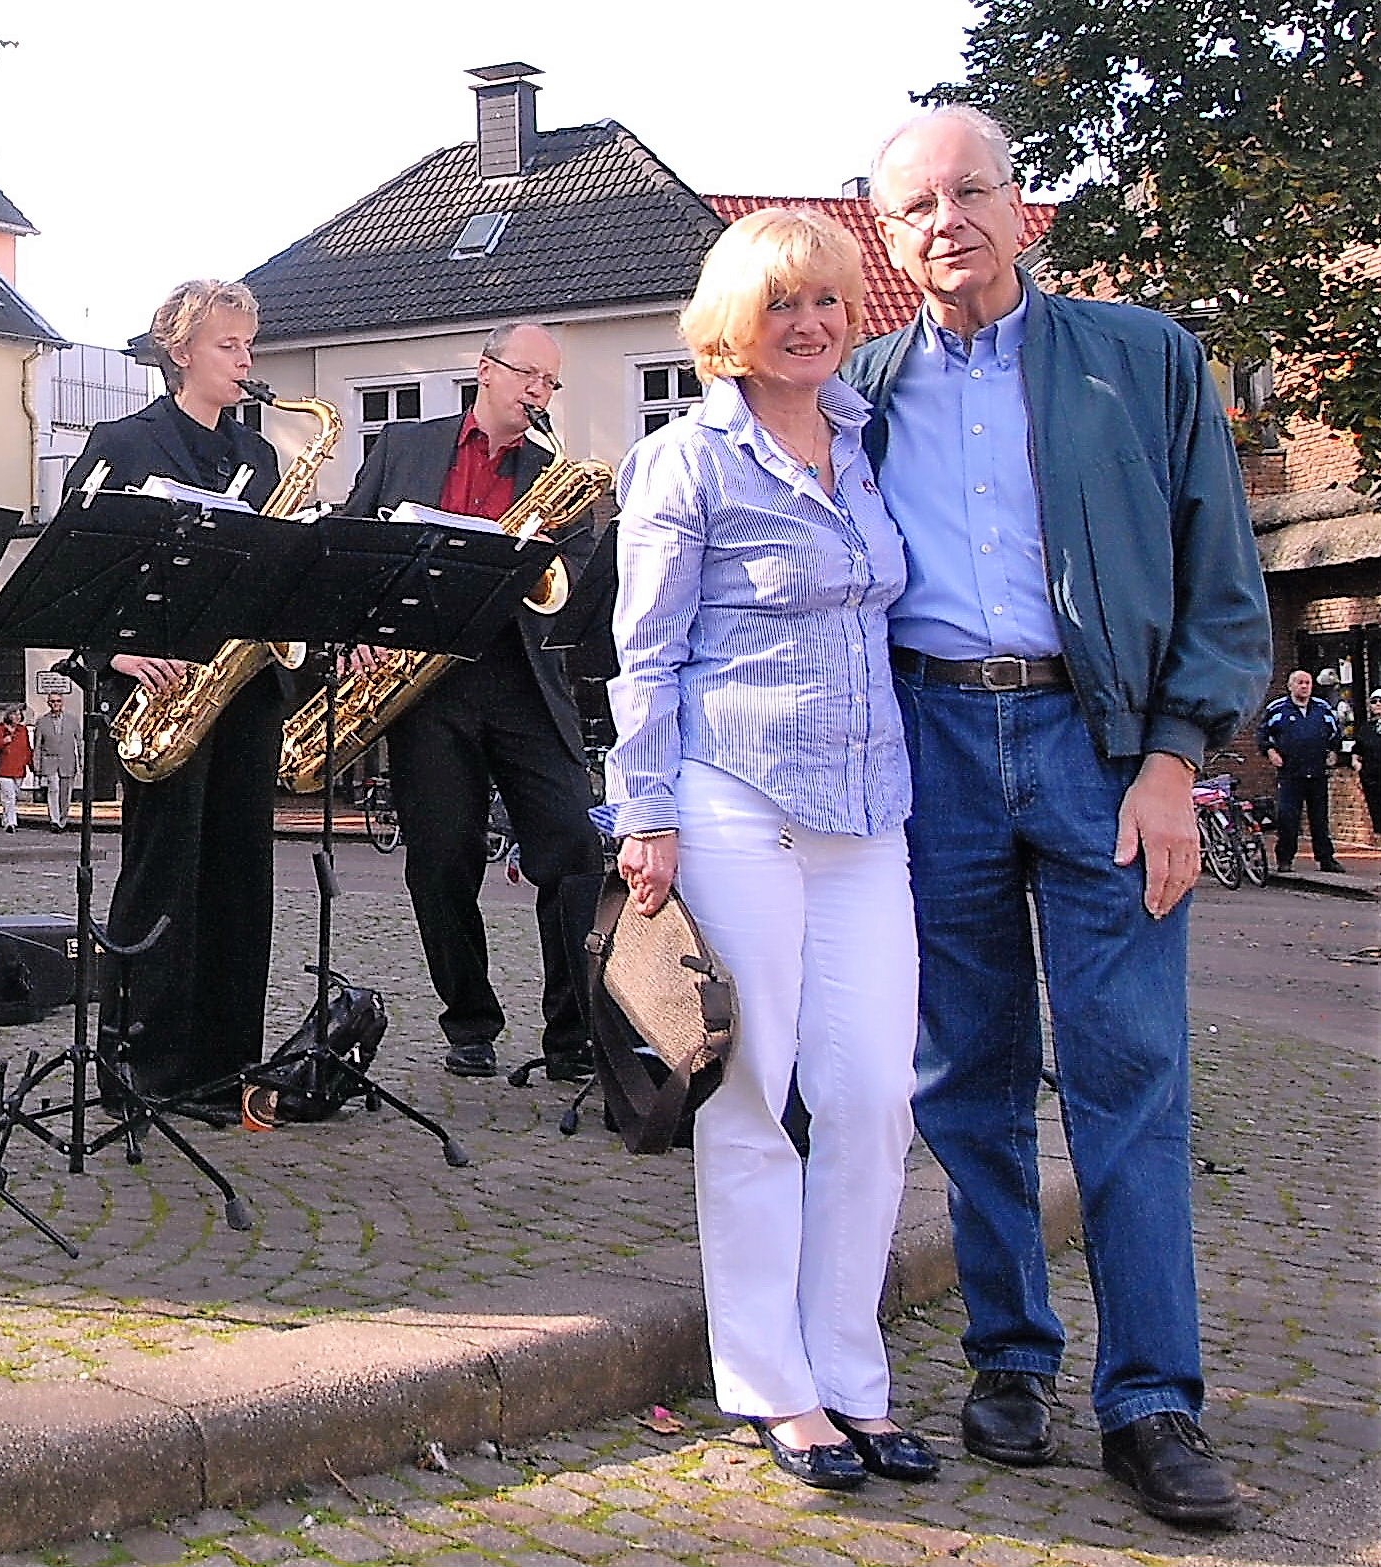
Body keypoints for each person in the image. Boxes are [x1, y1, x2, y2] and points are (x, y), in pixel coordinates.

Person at [848, 106, 1270, 1527]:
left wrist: (1171, 759)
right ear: (884, 233)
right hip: (930, 747)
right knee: (960, 1074)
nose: (943, 221)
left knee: (1126, 1078)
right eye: (913, 206)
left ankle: (1149, 1398)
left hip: (1098, 749)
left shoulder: (1139, 357)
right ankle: (1007, 1356)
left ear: (1021, 208)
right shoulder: (860, 392)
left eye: (969, 192)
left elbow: (1222, 579)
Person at [607, 206, 934, 1492]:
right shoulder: (685, 461)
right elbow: (644, 651)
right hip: (735, 794)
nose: (810, 324)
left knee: (872, 1099)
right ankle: (773, 1383)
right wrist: (644, 815)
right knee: (755, 1094)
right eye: (783, 304)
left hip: (869, 809)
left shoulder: (865, 442)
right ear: (734, 326)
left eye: (830, 303)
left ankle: (853, 1372)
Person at [339, 323, 611, 1081]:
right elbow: (356, 547)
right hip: (426, 688)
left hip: (521, 679)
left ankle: (572, 1036)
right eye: (528, 376)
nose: (539, 393)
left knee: (574, 851)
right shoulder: (403, 446)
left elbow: (576, 585)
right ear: (485, 371)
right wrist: (358, 629)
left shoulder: (557, 472)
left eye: (550, 383)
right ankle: (469, 1022)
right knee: (440, 859)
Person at [64, 279, 284, 1120]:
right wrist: (113, 653)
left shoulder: (259, 457)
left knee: (239, 878)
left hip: (241, 693)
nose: (244, 361)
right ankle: (140, 1068)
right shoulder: (122, 442)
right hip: (160, 690)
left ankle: (224, 1065)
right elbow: (75, 567)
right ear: (181, 351)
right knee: (162, 878)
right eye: (229, 346)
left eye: (249, 346)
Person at [1259, 670, 1344, 872]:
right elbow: (1263, 733)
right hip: (1290, 772)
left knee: (1319, 817)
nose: (1304, 686)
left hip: (1316, 771)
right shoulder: (1277, 709)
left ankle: (1326, 859)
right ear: (1290, 686)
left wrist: (1333, 751)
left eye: (1307, 683)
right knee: (1288, 816)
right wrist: (1271, 752)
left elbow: (1335, 733)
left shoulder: (1322, 709)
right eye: (1300, 683)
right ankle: (1285, 859)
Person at [34, 692, 84, 831]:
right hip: (50, 762)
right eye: (52, 701)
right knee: (53, 789)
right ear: (48, 703)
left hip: (67, 761)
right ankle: (54, 820)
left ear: (62, 703)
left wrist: (82, 761)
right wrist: (37, 765)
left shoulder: (72, 720)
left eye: (58, 701)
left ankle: (63, 819)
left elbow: (79, 742)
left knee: (65, 793)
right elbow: (37, 745)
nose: (55, 704)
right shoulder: (42, 721)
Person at [0, 704, 34, 832]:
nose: (17, 717)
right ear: (8, 716)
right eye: (14, 714)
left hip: (19, 769)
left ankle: (6, 818)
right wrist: (3, 741)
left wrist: (32, 765)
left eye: (19, 714)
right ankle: (11, 823)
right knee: (9, 796)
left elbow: (27, 749)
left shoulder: (22, 730)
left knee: (12, 796)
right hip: (3, 769)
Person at [1357, 691, 1381, 846]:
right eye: (1374, 701)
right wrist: (1356, 764)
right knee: (1376, 809)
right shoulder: (1366, 728)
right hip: (1371, 777)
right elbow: (1357, 749)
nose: (1378, 704)